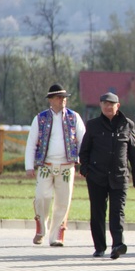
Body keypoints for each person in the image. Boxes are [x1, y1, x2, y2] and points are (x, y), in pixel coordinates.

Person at [79, 93, 135, 259]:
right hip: (96, 177)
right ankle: (99, 247)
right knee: (97, 213)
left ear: (118, 106)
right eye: (105, 103)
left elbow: (134, 153)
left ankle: (118, 245)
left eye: (111, 104)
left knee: (117, 212)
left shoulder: (128, 125)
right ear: (100, 105)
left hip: (119, 177)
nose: (108, 107)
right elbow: (84, 151)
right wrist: (86, 170)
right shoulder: (93, 125)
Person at [24, 83, 86, 247]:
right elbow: (31, 143)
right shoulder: (40, 119)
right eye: (59, 97)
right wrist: (29, 166)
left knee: (63, 201)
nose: (62, 100)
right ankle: (41, 228)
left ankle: (56, 235)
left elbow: (83, 141)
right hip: (46, 164)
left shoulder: (74, 117)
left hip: (67, 165)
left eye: (64, 97)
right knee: (42, 196)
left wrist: (84, 163)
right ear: (50, 100)